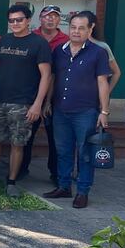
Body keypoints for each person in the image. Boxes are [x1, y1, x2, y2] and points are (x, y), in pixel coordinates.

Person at [42, 12, 110, 209]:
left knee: (85, 153)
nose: (76, 31)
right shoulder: (59, 51)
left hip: (86, 112)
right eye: (73, 27)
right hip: (60, 110)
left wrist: (104, 112)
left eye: (81, 28)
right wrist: (47, 102)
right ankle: (64, 186)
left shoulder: (98, 52)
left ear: (90, 29)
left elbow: (102, 82)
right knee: (62, 150)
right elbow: (53, 78)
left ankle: (82, 191)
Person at [0, 4, 52, 197]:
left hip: (23, 104)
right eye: (11, 20)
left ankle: (11, 181)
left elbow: (46, 75)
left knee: (17, 143)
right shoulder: (4, 40)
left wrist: (38, 103)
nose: (15, 23)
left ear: (28, 21)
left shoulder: (39, 43)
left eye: (19, 20)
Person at [21, 5, 70, 183]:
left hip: (57, 96)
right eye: (47, 16)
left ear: (59, 19)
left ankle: (56, 172)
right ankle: (21, 168)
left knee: (56, 136)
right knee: (26, 134)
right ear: (40, 19)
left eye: (54, 16)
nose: (50, 19)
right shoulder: (30, 37)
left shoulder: (67, 40)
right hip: (29, 93)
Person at [83, 11, 121, 95]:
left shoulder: (102, 47)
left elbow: (116, 72)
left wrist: (106, 93)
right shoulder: (68, 46)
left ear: (92, 26)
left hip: (95, 94)